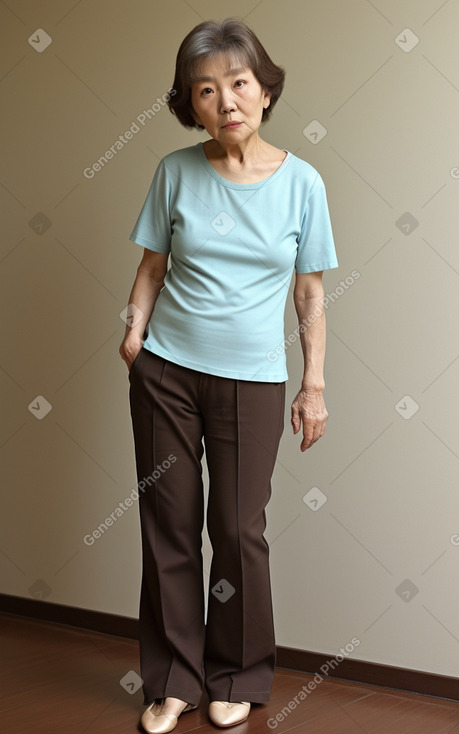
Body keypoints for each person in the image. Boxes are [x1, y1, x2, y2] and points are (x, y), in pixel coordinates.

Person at [119, 17, 338, 733]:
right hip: (166, 375)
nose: (226, 101)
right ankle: (173, 681)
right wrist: (133, 334)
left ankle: (236, 677)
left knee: (239, 531)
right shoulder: (174, 171)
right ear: (191, 102)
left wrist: (312, 386)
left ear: (264, 90)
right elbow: (152, 265)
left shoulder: (302, 183)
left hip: (252, 381)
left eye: (238, 84)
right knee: (169, 527)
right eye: (205, 90)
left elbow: (308, 293)